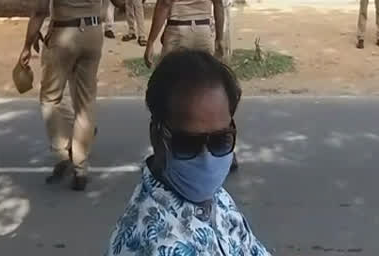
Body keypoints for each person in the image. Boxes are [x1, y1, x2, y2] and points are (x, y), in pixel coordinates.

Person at [104, 50, 272, 256]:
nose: (207, 158)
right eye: (187, 144)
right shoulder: (160, 244)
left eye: (220, 140)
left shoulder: (214, 199)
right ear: (157, 137)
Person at [19, 0, 124, 191]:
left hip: (63, 34)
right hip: (92, 34)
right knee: (85, 102)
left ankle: (63, 149)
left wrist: (28, 44)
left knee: (51, 98)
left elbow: (40, 9)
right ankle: (81, 167)